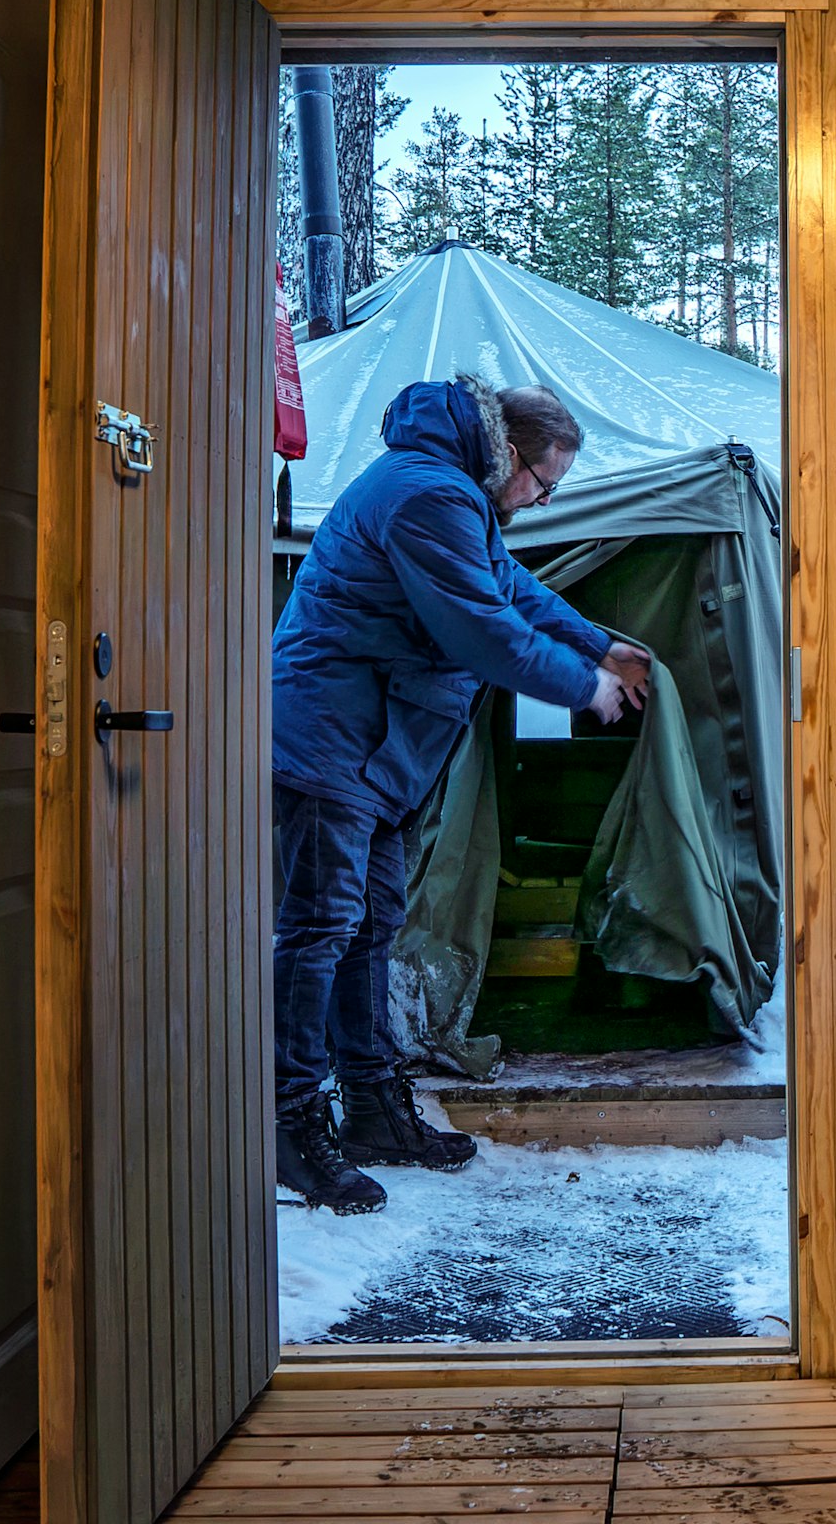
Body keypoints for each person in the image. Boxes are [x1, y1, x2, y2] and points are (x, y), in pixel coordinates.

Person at [268, 376, 653, 1213]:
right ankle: (289, 1125)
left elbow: (509, 587)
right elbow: (479, 628)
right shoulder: (426, 494)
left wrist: (600, 641)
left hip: (376, 745)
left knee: (367, 929)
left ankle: (370, 1108)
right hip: (334, 737)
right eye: (541, 484)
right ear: (509, 453)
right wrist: (585, 686)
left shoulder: (448, 491)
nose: (539, 500)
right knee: (318, 930)